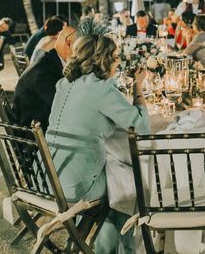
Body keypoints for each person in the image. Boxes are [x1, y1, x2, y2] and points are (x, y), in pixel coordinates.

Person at [46, 32, 149, 254]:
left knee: (116, 173)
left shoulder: (63, 84)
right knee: (129, 183)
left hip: (48, 177)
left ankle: (93, 244)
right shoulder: (102, 89)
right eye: (115, 55)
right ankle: (108, 249)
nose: (118, 60)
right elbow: (141, 128)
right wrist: (137, 89)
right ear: (103, 58)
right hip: (75, 185)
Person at [12, 26, 77, 129]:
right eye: (81, 49)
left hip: (40, 120)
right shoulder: (44, 72)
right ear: (68, 43)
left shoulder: (51, 60)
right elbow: (61, 107)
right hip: (33, 131)